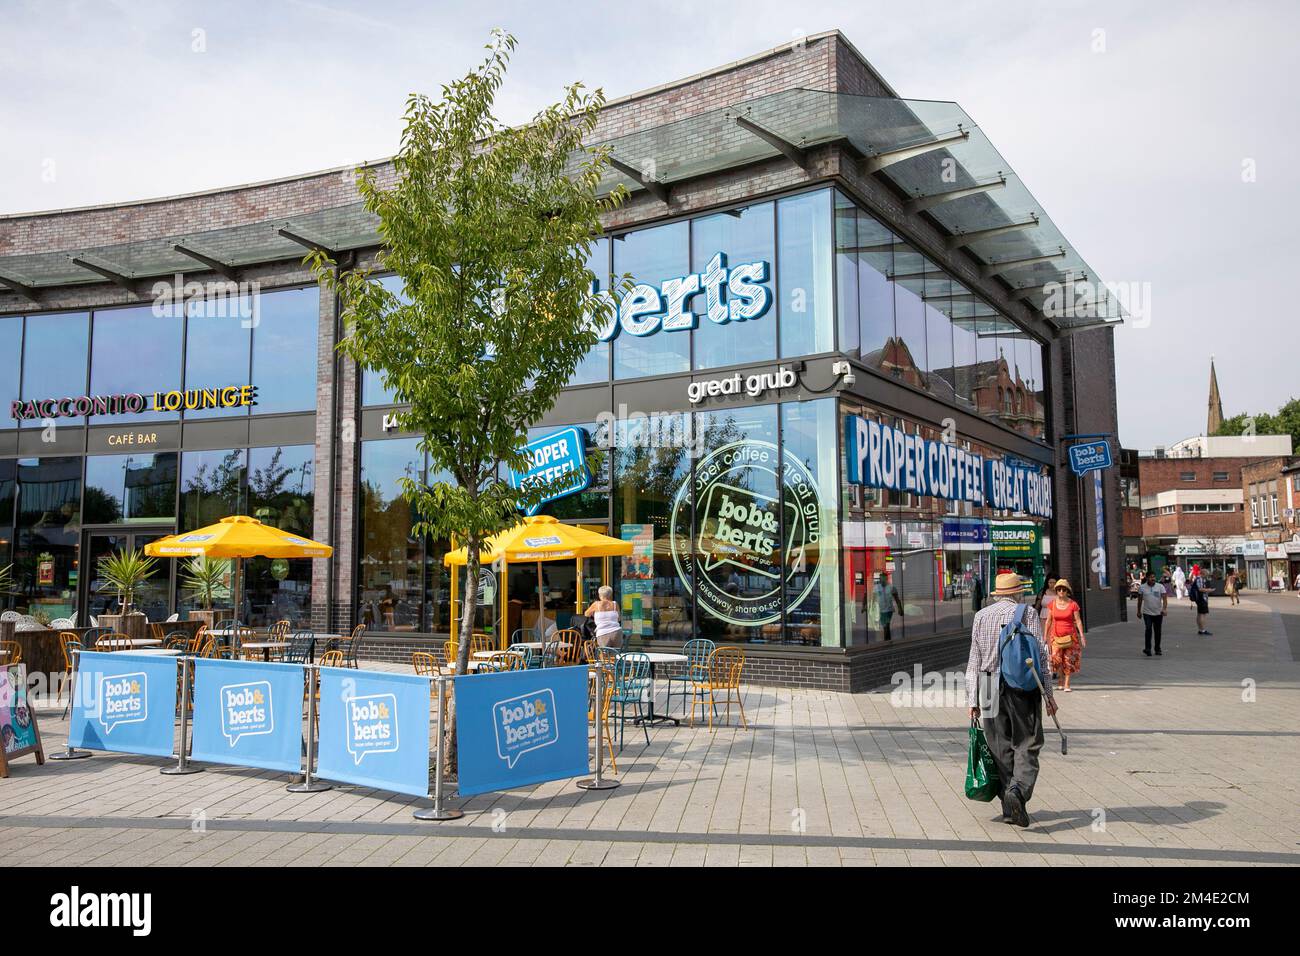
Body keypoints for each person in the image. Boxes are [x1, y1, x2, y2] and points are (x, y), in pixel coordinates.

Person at [965, 572, 1058, 828]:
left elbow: (974, 659)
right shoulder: (1026, 613)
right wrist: (1048, 694)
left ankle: (1009, 808)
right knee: (1027, 742)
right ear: (1017, 592)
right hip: (1020, 686)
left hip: (986, 685)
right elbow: (1041, 654)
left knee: (999, 745)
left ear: (996, 594)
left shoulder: (981, 616)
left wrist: (971, 699)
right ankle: (1017, 791)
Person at [1046, 579, 1086, 691]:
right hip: (1056, 636)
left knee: (1068, 659)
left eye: (1064, 589)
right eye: (1059, 589)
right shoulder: (1052, 604)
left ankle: (1067, 683)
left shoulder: (1073, 604)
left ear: (1067, 591)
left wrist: (1082, 635)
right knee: (1056, 659)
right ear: (1056, 591)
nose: (1061, 591)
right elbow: (1048, 621)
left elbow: (1078, 621)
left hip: (1070, 636)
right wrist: (1045, 636)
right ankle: (1060, 679)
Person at [1137, 570, 1168, 656]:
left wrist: (1164, 609)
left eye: (1154, 577)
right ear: (1147, 578)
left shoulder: (1160, 586)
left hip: (1158, 613)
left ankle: (1157, 649)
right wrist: (1138, 611)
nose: (1153, 578)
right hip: (1147, 613)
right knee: (1148, 629)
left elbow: (1165, 599)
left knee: (1157, 631)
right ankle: (1148, 649)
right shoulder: (1142, 587)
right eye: (1151, 577)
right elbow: (1139, 601)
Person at [871, 573, 904, 641]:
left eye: (883, 578)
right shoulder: (876, 587)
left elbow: (897, 599)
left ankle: (886, 641)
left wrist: (900, 609)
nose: (882, 580)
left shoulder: (892, 588)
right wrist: (872, 608)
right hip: (880, 610)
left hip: (889, 610)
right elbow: (873, 599)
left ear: (886, 579)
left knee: (886, 625)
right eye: (881, 578)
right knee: (886, 626)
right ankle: (888, 640)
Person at [1188, 569, 1212, 635]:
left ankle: (1200, 629)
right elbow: (1200, 589)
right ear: (1203, 574)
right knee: (1202, 614)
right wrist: (1209, 590)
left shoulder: (1199, 579)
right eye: (1206, 575)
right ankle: (1202, 630)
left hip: (1199, 598)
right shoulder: (1200, 579)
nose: (1207, 576)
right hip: (1201, 598)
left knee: (1199, 614)